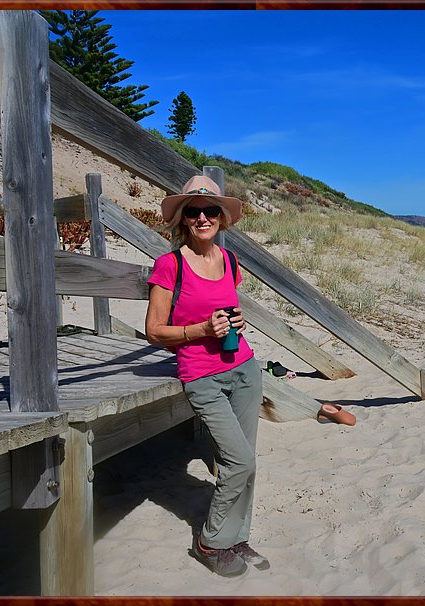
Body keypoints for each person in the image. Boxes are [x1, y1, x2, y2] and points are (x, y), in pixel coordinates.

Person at [145, 175, 268, 577]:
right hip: (202, 375)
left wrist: (235, 323)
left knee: (247, 459)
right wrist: (201, 330)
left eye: (210, 210)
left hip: (244, 369)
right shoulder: (170, 264)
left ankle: (237, 537)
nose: (202, 217)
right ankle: (210, 542)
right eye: (194, 211)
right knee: (239, 462)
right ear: (183, 218)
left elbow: (227, 308)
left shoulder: (230, 262)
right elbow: (155, 331)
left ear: (221, 218)